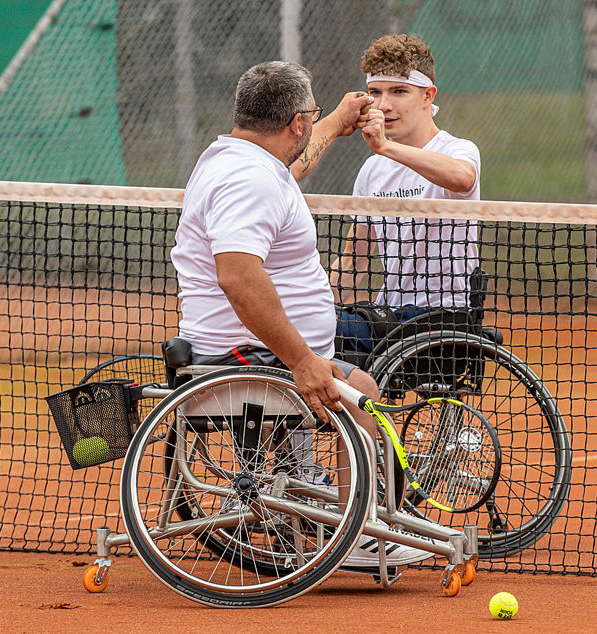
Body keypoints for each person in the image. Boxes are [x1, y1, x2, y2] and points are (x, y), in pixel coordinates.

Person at [170, 60, 430, 568]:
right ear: (294, 123)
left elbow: (293, 162)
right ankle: (357, 533)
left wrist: (331, 119)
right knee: (362, 397)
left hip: (247, 351)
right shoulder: (250, 179)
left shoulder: (241, 158)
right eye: (307, 117)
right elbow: (239, 277)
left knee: (359, 382)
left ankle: (316, 496)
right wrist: (302, 360)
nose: (311, 125)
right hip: (248, 359)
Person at [332, 34, 481, 353]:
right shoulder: (372, 170)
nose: (384, 105)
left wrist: (386, 146)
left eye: (399, 91)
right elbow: (353, 261)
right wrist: (308, 307)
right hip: (390, 317)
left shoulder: (458, 150)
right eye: (375, 92)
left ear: (428, 95)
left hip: (442, 319)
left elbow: (462, 177)